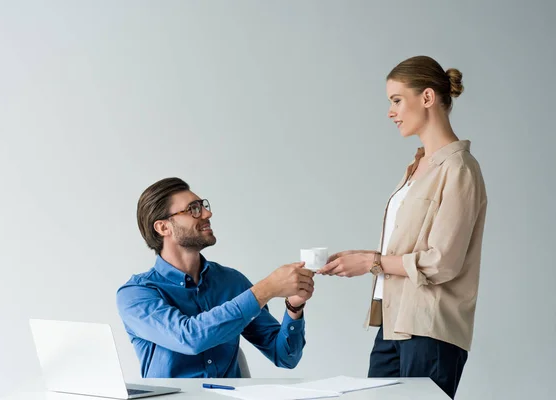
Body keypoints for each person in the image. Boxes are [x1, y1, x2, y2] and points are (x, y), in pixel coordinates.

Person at [318, 55, 487, 399]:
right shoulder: (416, 166)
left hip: (430, 328)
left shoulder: (459, 169)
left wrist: (372, 262)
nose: (390, 112)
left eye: (396, 100)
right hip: (393, 324)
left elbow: (443, 261)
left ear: (426, 98)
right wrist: (367, 257)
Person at [116, 177, 315, 378]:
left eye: (203, 206)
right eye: (193, 209)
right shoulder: (136, 294)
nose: (207, 213)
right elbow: (189, 337)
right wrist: (266, 289)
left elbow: (285, 357)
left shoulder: (232, 281)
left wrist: (294, 307)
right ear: (163, 228)